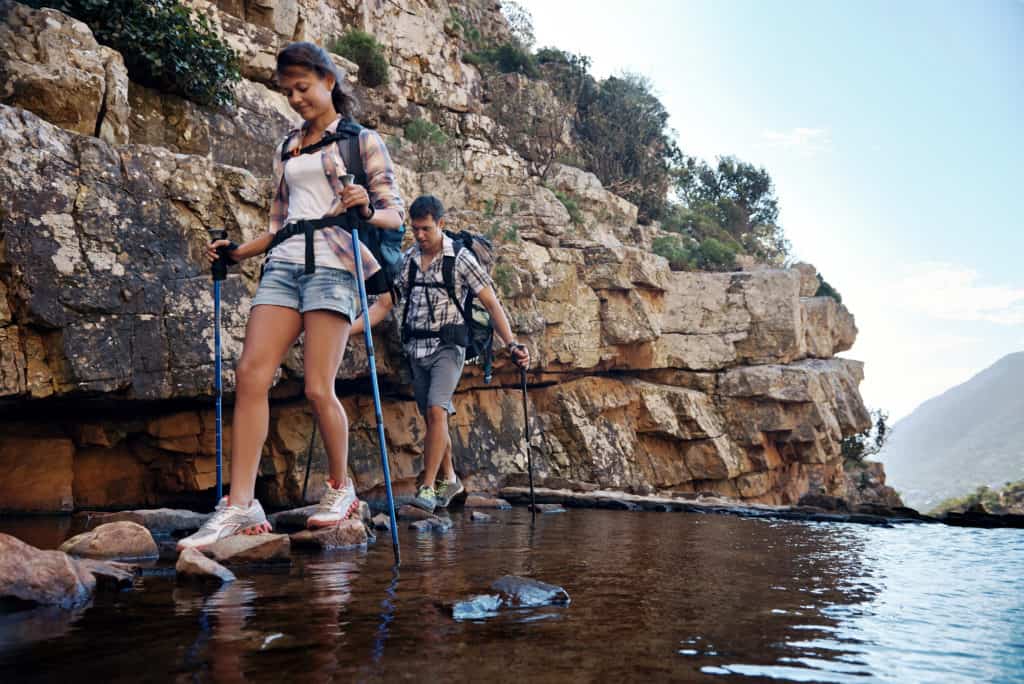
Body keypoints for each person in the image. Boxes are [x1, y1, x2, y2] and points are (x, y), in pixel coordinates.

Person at [178, 42, 405, 550]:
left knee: (317, 388)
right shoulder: (286, 146)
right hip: (284, 265)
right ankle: (240, 506)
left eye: (302, 87)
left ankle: (340, 489)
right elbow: (282, 225)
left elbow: (395, 214)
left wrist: (366, 208)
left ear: (327, 79)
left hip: (335, 265)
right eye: (288, 92)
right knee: (250, 375)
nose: (296, 98)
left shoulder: (361, 140)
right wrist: (237, 253)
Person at [352, 195, 529, 513]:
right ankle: (451, 478)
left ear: (441, 225)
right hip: (415, 349)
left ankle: (428, 487)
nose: (419, 236)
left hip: (449, 348)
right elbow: (384, 305)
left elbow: (491, 302)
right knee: (436, 419)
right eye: (415, 230)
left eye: (426, 229)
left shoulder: (460, 259)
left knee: (436, 412)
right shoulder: (408, 260)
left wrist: (512, 342)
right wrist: (345, 329)